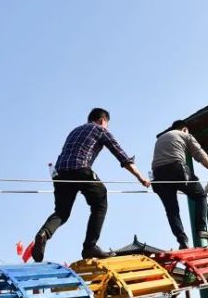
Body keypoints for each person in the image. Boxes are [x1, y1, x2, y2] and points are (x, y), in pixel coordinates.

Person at [31, 108, 150, 262]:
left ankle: (43, 234)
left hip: (60, 173)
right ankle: (90, 246)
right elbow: (121, 156)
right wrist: (141, 177)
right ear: (103, 120)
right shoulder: (100, 129)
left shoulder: (74, 131)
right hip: (80, 169)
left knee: (61, 212)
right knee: (100, 201)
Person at [151, 120, 208, 248]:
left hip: (158, 174)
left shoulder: (160, 139)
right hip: (176, 168)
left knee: (172, 210)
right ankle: (200, 229)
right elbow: (201, 157)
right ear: (185, 129)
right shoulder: (186, 135)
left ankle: (182, 241)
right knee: (201, 196)